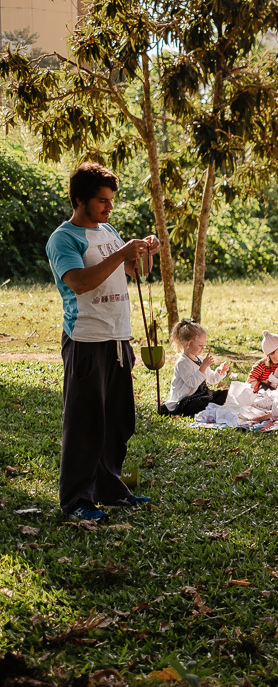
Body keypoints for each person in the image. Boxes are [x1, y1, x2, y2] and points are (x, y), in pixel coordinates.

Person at [46, 162, 159, 522]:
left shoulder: (108, 230)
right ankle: (76, 500)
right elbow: (79, 282)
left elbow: (137, 272)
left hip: (117, 337)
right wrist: (121, 253)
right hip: (86, 339)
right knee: (85, 424)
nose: (110, 207)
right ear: (80, 200)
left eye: (111, 200)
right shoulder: (64, 238)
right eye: (102, 201)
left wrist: (144, 254)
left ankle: (110, 489)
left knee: (117, 421)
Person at [159, 319, 229, 416]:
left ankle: (211, 406)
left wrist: (220, 372)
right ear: (188, 343)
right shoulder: (182, 363)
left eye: (203, 345)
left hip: (203, 395)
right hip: (186, 399)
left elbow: (211, 379)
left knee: (226, 394)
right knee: (195, 404)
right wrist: (203, 367)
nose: (203, 348)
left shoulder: (200, 359)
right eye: (200, 345)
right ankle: (210, 407)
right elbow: (192, 383)